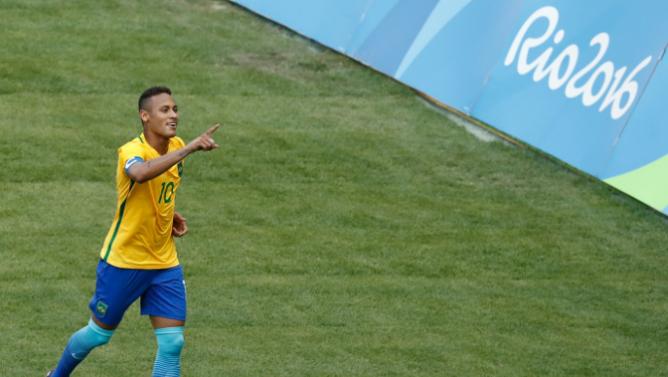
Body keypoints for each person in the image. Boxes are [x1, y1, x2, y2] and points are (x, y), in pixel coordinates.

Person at [47, 86, 220, 377]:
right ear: (144, 116)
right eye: (165, 110)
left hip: (164, 262)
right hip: (124, 262)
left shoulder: (175, 145)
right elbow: (140, 174)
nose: (174, 114)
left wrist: (168, 213)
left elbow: (161, 187)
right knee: (98, 335)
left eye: (175, 109)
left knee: (172, 343)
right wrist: (189, 147)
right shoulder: (132, 150)